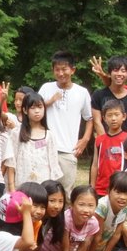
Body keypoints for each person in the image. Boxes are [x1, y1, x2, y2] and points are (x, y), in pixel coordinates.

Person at [38, 51, 92, 193]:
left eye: (64, 69)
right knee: (42, 192)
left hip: (69, 151)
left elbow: (89, 118)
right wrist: (50, 101)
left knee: (65, 194)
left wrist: (85, 139)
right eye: (57, 70)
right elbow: (34, 110)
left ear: (72, 70)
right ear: (53, 70)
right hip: (44, 148)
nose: (61, 73)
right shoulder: (46, 88)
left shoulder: (82, 92)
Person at [11, 89, 62, 189]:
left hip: (43, 185)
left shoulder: (49, 135)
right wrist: (12, 187)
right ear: (25, 110)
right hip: (21, 184)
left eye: (40, 107)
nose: (37, 111)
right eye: (33, 108)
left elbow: (53, 163)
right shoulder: (16, 133)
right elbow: (11, 162)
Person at [88, 56, 127, 137]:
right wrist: (106, 141)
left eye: (123, 71)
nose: (119, 74)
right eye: (115, 70)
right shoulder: (98, 95)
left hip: (124, 146)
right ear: (109, 74)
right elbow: (97, 121)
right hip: (104, 143)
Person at [90, 98, 127, 197]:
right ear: (104, 118)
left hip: (120, 189)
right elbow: (94, 165)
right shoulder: (99, 140)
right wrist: (92, 187)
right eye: (109, 115)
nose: (113, 118)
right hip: (100, 190)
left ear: (124, 116)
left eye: (116, 114)